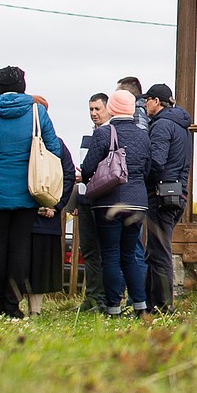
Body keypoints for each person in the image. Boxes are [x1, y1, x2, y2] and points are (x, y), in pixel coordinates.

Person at [0, 66, 62, 319]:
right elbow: (53, 147)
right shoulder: (36, 113)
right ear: (23, 85)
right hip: (27, 190)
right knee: (20, 246)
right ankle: (13, 305)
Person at [80, 88, 151, 317]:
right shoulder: (143, 135)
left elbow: (89, 168)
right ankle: (140, 304)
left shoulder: (104, 133)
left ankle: (113, 306)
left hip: (109, 201)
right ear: (132, 109)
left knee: (110, 254)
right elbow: (149, 169)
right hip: (138, 201)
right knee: (129, 254)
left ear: (111, 109)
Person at [143, 83, 191, 314]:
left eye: (147, 100)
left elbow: (157, 161)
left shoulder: (162, 125)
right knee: (154, 249)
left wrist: (144, 178)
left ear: (156, 101)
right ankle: (148, 303)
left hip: (161, 194)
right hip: (178, 192)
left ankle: (162, 305)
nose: (144, 104)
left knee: (159, 251)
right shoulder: (181, 126)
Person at [25, 97, 75, 316]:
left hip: (33, 215)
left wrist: (56, 205)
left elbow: (69, 176)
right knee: (33, 266)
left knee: (33, 266)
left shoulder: (55, 144)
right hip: (41, 215)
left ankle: (30, 311)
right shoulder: (57, 144)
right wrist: (56, 205)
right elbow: (70, 175)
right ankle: (31, 311)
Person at [75, 92, 109, 312]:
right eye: (91, 109)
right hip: (84, 198)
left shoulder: (110, 135)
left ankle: (104, 297)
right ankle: (92, 296)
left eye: (97, 109)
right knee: (88, 250)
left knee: (105, 250)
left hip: (102, 198)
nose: (94, 113)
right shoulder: (88, 138)